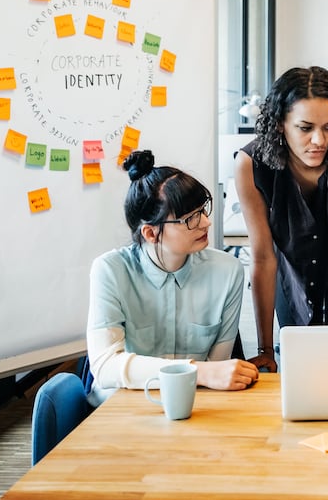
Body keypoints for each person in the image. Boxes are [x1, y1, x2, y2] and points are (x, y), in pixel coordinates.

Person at [234, 66, 328, 372]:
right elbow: (263, 258)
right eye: (305, 128)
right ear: (280, 124)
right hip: (290, 260)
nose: (319, 140)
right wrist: (265, 350)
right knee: (300, 357)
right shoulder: (250, 165)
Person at [87, 149, 259, 404]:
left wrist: (206, 374)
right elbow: (105, 367)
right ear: (150, 233)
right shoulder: (110, 270)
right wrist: (198, 371)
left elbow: (219, 370)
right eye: (190, 218)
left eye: (203, 210)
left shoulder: (227, 271)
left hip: (196, 405)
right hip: (123, 406)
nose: (205, 223)